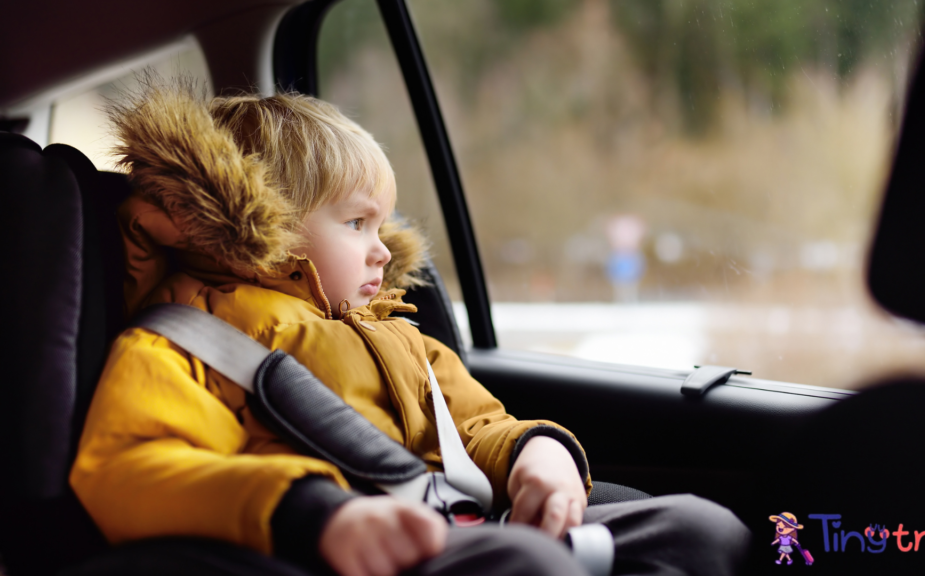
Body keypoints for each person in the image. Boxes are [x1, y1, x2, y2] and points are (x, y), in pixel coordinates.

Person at [69, 79, 750, 576]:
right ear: (265, 223)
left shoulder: (396, 332)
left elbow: (478, 425)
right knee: (522, 563)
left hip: (463, 517)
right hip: (355, 547)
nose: (382, 248)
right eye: (357, 223)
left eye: (382, 224)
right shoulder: (184, 340)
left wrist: (537, 456)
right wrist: (315, 515)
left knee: (700, 529)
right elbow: (130, 468)